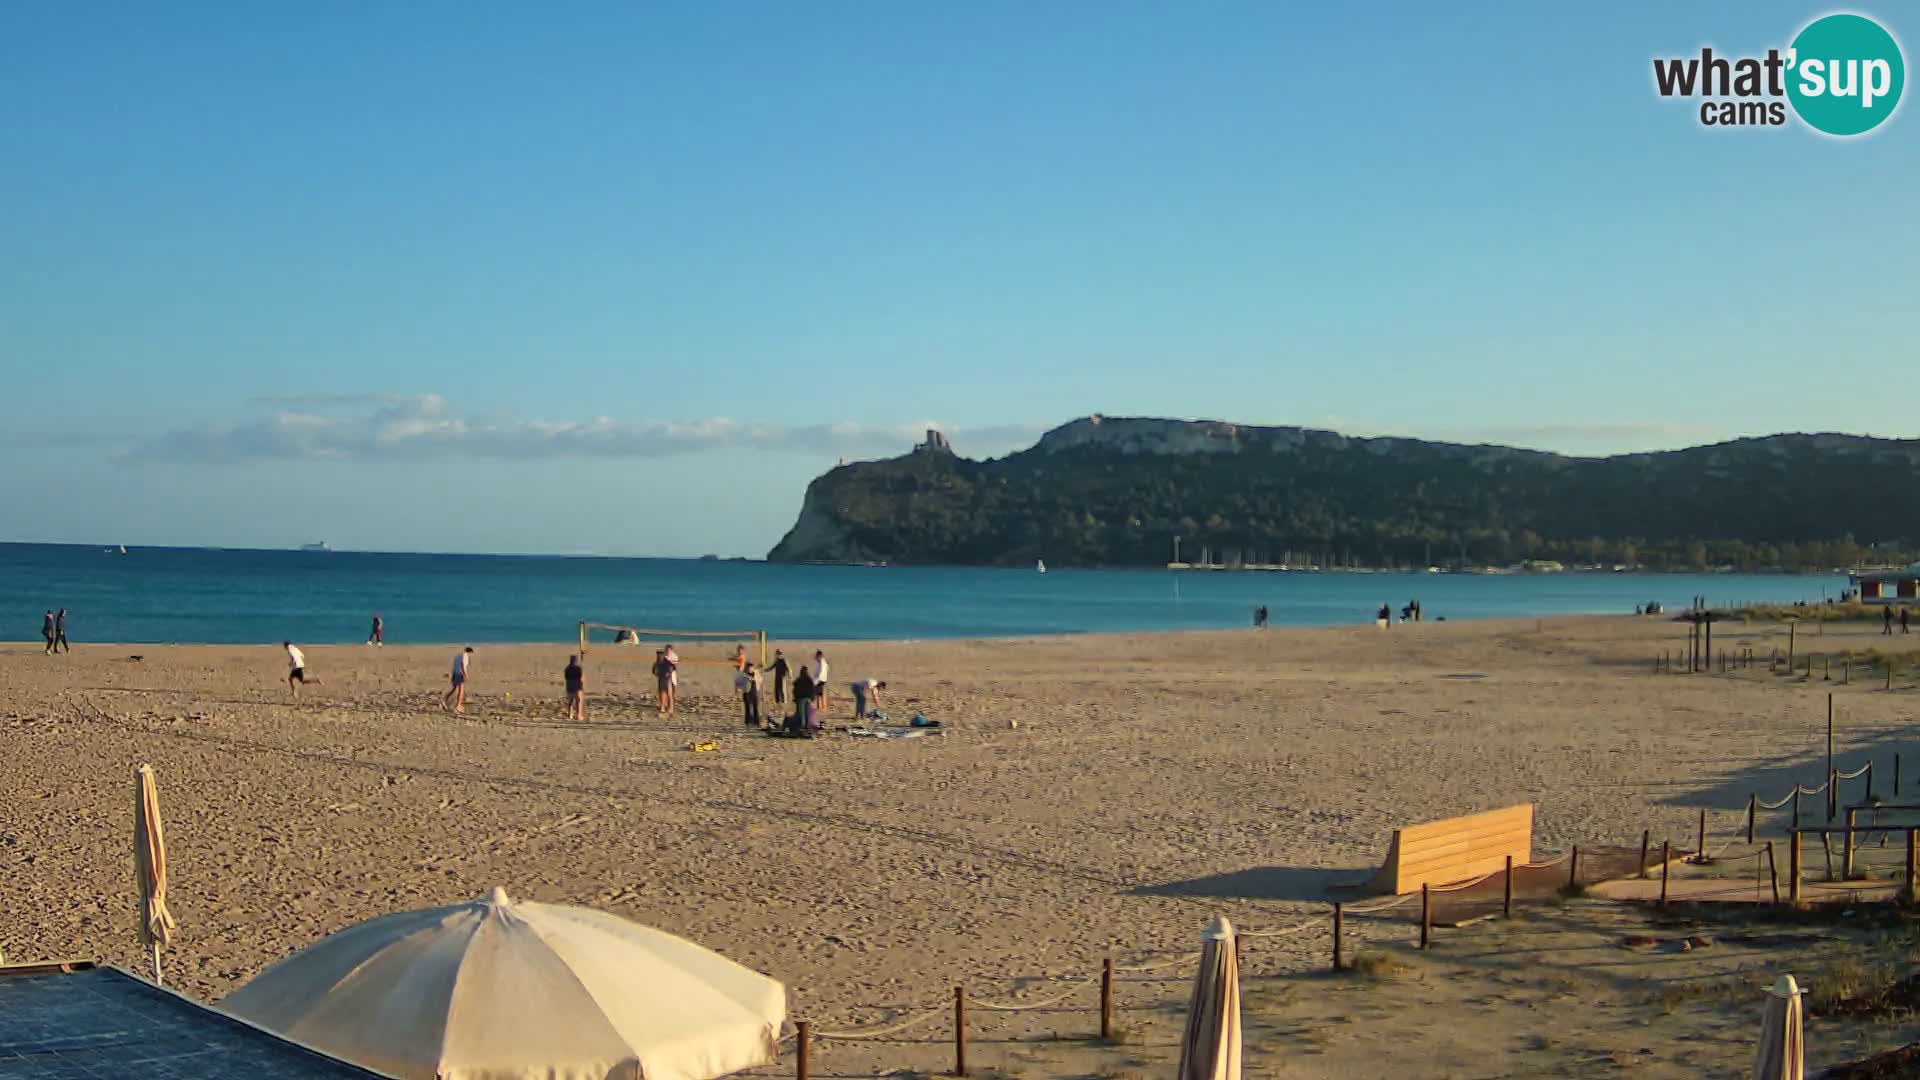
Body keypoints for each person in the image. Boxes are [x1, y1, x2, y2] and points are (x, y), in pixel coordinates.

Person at [787, 665, 817, 734]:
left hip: (801, 699)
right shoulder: (810, 680)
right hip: (808, 699)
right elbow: (813, 689)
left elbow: (795, 690)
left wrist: (795, 698)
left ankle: (801, 726)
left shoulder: (798, 680)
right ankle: (806, 726)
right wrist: (812, 697)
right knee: (807, 714)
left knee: (801, 714)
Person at [445, 647, 474, 714]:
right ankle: (458, 706)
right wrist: (465, 674)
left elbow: (455, 665)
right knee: (461, 690)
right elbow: (462, 665)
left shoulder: (458, 656)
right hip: (460, 674)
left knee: (455, 689)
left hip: (455, 673)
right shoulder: (465, 656)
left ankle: (446, 699)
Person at [736, 661, 762, 727]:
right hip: (747, 693)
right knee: (748, 709)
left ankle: (756, 722)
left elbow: (761, 680)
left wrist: (755, 678)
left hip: (755, 692)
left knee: (755, 708)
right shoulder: (743, 675)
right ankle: (748, 722)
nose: (749, 669)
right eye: (748, 667)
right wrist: (738, 689)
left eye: (751, 667)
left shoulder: (756, 673)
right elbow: (737, 682)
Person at [652, 648, 677, 717]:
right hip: (662, 678)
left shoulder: (668, 662)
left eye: (661, 655)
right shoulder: (657, 662)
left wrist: (668, 674)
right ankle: (663, 706)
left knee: (669, 693)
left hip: (669, 679)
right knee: (661, 692)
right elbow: (654, 670)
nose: (659, 656)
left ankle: (670, 708)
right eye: (658, 655)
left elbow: (672, 669)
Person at [564, 654, 586, 721]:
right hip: (577, 687)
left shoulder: (567, 668)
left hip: (570, 687)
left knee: (570, 702)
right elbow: (581, 678)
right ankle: (578, 715)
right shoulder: (578, 668)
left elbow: (566, 677)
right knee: (578, 702)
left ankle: (570, 715)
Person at [813, 650, 831, 714]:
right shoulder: (822, 662)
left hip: (821, 680)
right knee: (819, 694)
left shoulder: (822, 663)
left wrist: (815, 682)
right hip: (821, 680)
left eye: (817, 656)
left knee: (820, 694)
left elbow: (821, 674)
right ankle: (820, 707)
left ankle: (822, 707)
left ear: (819, 656)